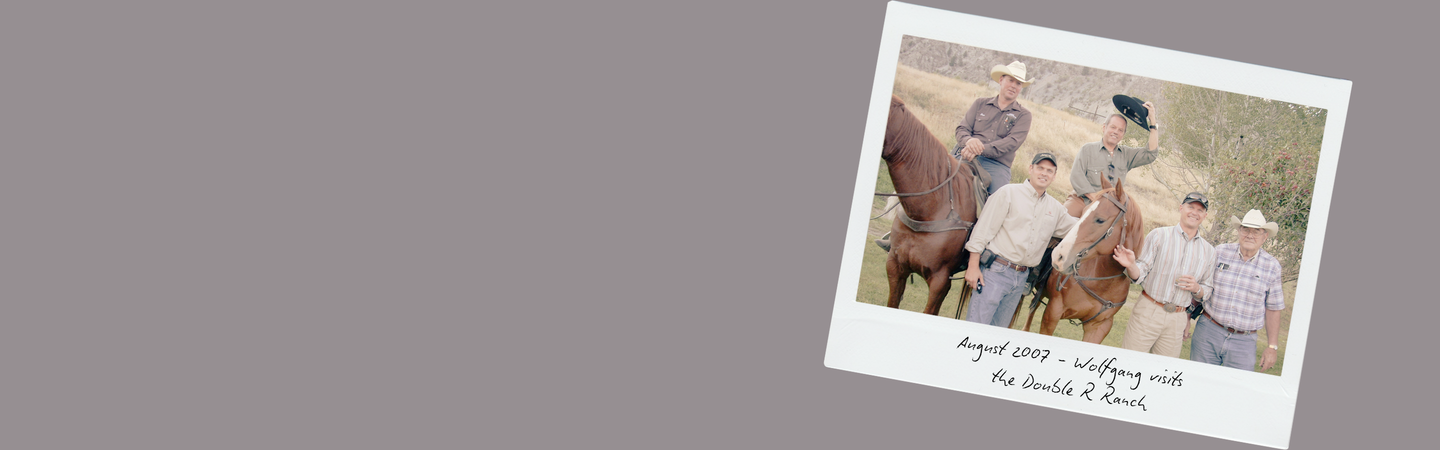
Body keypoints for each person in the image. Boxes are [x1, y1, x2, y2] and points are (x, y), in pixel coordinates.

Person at [962, 152, 1077, 327]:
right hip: (995, 272)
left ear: (1054, 176)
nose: (1044, 173)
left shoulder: (1055, 208)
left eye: (1049, 171)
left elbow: (1078, 229)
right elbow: (982, 231)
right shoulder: (1008, 193)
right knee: (975, 329)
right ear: (1031, 169)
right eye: (1040, 168)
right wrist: (972, 266)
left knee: (998, 335)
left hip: (1021, 277)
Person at [1111, 192, 1216, 358]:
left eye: (1200, 210)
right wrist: (1131, 265)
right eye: (1190, 207)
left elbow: (1207, 289)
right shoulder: (1159, 235)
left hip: (1178, 318)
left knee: (1164, 373)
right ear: (1181, 208)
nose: (1194, 212)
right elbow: (1140, 274)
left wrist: (1197, 288)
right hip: (1149, 310)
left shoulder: (1209, 251)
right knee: (1129, 363)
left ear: (1205, 216)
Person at [1190, 209, 1286, 371]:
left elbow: (1273, 309)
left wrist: (1272, 347)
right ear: (1239, 231)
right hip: (1208, 332)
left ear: (1265, 237)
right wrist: (1188, 315)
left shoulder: (1272, 266)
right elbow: (1202, 285)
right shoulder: (1220, 252)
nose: (1250, 235)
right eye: (1246, 229)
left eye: (1256, 231)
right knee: (1198, 383)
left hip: (1244, 343)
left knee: (1234, 391)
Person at [1063, 104, 1161, 218]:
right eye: (1113, 127)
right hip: (1083, 200)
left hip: (1112, 207)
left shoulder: (1126, 154)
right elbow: (1076, 175)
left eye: (1120, 130)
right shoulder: (1088, 149)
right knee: (1063, 220)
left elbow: (1150, 154)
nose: (1116, 132)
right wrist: (1095, 198)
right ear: (1104, 127)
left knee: (1126, 230)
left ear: (1123, 134)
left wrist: (1153, 121)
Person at [954, 61, 1033, 195]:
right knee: (934, 176)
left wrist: (980, 149)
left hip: (996, 165)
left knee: (997, 201)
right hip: (965, 153)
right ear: (1001, 80)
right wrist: (969, 141)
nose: (1013, 86)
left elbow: (1012, 142)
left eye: (1018, 83)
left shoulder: (1024, 115)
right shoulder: (980, 103)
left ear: (1021, 88)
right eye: (1010, 80)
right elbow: (962, 128)